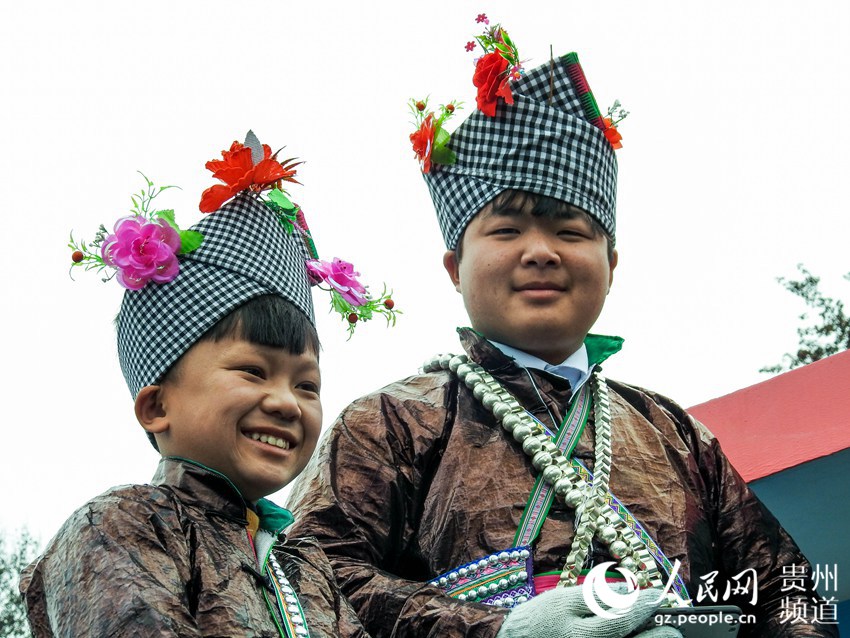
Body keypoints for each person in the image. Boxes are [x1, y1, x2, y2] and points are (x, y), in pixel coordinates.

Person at [284, 19, 838, 638]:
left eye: (571, 232)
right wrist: (497, 631)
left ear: (611, 266)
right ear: (453, 268)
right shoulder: (390, 423)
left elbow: (788, 589)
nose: (541, 251)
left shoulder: (673, 432)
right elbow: (311, 578)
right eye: (507, 230)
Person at [19, 131, 397, 636]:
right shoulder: (119, 526)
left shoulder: (307, 563)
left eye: (307, 385)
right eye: (253, 372)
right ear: (156, 407)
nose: (287, 402)